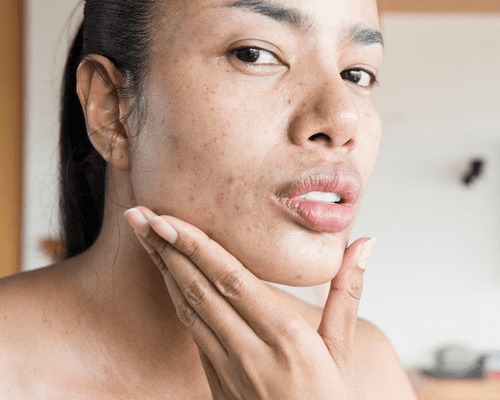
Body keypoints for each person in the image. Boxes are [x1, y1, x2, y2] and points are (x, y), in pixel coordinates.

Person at [0, 0, 417, 398]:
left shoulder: (370, 367)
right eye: (253, 54)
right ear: (111, 109)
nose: (343, 119)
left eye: (358, 74)